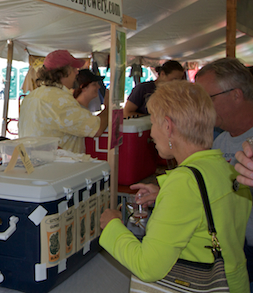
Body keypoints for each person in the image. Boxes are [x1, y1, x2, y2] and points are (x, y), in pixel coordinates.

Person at [99, 80, 252, 292]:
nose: (151, 134)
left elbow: (148, 267)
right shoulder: (229, 168)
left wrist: (112, 225)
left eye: (152, 123)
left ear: (168, 126)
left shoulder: (184, 184)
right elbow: (213, 210)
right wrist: (164, 195)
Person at [195, 57, 253, 283]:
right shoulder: (220, 142)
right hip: (236, 251)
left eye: (208, 99)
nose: (203, 107)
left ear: (236, 95)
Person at [18, 49, 109, 153]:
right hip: (58, 167)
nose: (77, 72)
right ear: (63, 72)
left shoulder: (31, 97)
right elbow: (96, 128)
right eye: (73, 68)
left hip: (35, 164)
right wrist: (108, 107)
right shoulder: (61, 100)